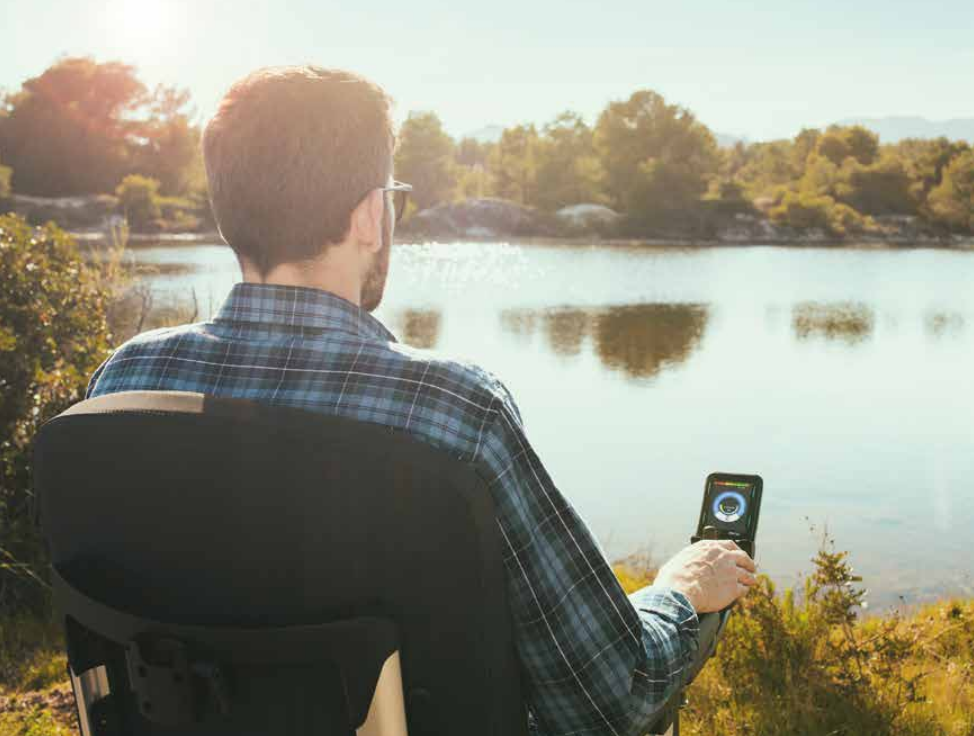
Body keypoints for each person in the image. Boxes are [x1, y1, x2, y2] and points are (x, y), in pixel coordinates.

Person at [86, 66, 757, 735]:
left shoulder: (127, 382)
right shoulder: (455, 412)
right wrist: (682, 589)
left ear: (227, 210)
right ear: (372, 215)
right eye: (392, 199)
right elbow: (607, 697)